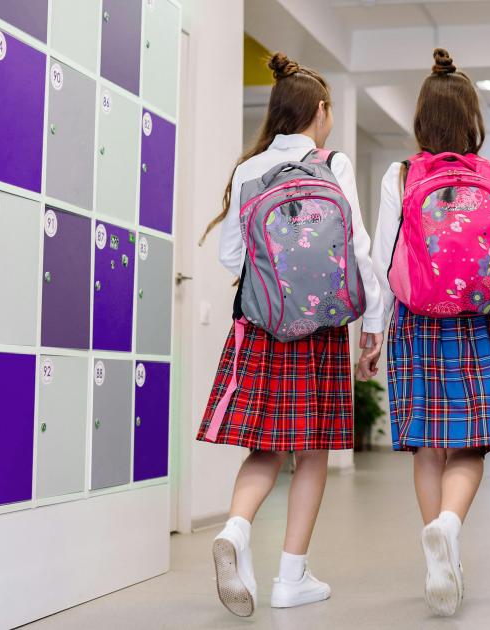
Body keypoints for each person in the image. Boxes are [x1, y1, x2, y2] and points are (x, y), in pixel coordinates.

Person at [195, 52, 384, 617]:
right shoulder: (333, 164)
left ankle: (235, 528)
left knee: (265, 446)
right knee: (313, 452)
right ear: (320, 111)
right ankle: (291, 577)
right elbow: (357, 249)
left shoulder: (249, 169)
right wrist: (372, 325)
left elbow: (231, 254)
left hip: (263, 326)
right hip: (321, 330)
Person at [363, 48, 490, 617]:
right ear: (472, 117)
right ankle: (450, 528)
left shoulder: (400, 174)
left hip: (417, 320)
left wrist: (375, 330)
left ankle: (438, 555)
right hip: (480, 321)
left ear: (420, 117)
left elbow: (385, 260)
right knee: (472, 443)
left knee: (428, 446)